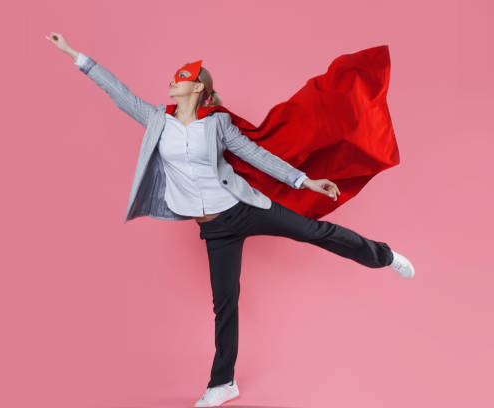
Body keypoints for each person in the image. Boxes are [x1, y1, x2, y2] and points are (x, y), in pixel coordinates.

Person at [46, 32, 415, 407]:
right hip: (215, 228)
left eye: (181, 79)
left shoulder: (217, 125)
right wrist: (76, 55)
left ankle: (384, 256)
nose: (172, 83)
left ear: (197, 89)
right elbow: (118, 91)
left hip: (244, 207)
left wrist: (305, 181)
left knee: (314, 232)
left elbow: (255, 155)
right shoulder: (157, 120)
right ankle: (223, 383)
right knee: (225, 302)